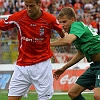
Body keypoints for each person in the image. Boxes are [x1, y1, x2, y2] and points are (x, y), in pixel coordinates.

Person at [0, 0, 65, 100]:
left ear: (39, 4)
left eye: (32, 6)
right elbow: (1, 25)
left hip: (42, 66)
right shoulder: (18, 17)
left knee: (44, 98)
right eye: (26, 6)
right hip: (22, 66)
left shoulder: (49, 19)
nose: (29, 8)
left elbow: (62, 33)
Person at [51, 7, 100, 100]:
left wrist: (45, 44)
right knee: (73, 93)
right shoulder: (75, 35)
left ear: (72, 20)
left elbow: (67, 41)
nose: (62, 25)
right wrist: (63, 68)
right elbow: (81, 54)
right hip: (95, 66)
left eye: (64, 22)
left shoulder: (76, 25)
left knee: (98, 96)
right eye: (60, 22)